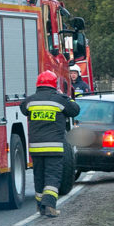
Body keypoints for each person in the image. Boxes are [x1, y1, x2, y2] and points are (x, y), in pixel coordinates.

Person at [20, 70, 80, 217]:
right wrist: (65, 96)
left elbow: (23, 109)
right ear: (54, 85)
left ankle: (40, 206)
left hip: (36, 148)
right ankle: (50, 206)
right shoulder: (59, 100)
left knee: (39, 177)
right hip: (54, 147)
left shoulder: (30, 101)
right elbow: (75, 110)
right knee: (53, 176)